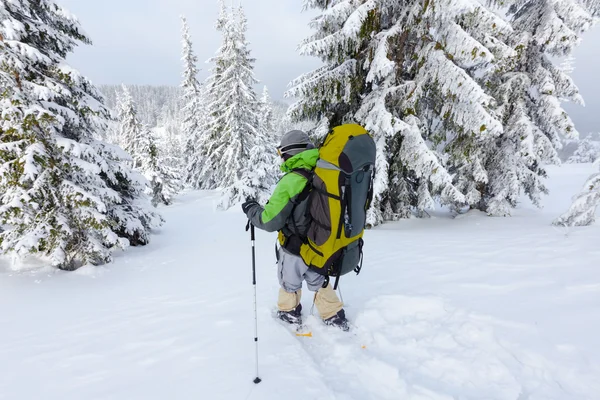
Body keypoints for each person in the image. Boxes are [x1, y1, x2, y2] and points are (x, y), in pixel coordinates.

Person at [242, 130, 349, 331]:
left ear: (289, 152)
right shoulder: (324, 172)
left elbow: (270, 221)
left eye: (280, 152)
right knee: (317, 278)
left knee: (289, 281)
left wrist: (252, 210)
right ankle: (334, 315)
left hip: (294, 248)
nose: (280, 156)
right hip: (320, 245)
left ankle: (289, 313)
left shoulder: (291, 180)